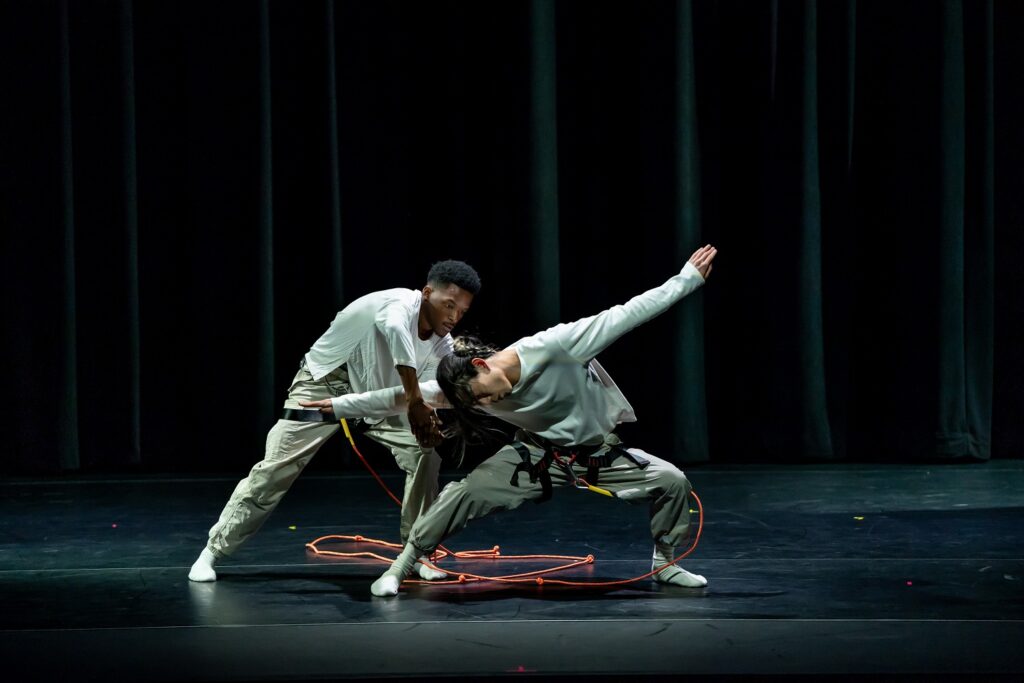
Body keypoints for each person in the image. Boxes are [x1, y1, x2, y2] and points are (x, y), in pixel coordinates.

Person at [309, 246, 716, 596]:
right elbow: (400, 397)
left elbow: (627, 314)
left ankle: (665, 564)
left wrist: (687, 280)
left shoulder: (556, 346)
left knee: (672, 481)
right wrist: (343, 405)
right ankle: (402, 566)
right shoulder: (468, 389)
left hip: (598, 455)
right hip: (536, 456)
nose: (487, 404)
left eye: (483, 395)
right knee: (461, 493)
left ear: (483, 365)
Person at [187, 260, 480, 583]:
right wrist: (414, 403)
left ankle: (416, 552)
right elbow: (397, 336)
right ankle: (213, 550)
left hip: (378, 394)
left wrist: (428, 421)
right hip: (324, 383)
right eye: (448, 305)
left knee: (426, 453)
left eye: (462, 312)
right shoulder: (397, 304)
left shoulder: (443, 344)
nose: (453, 317)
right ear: (427, 294)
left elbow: (425, 395)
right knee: (276, 469)